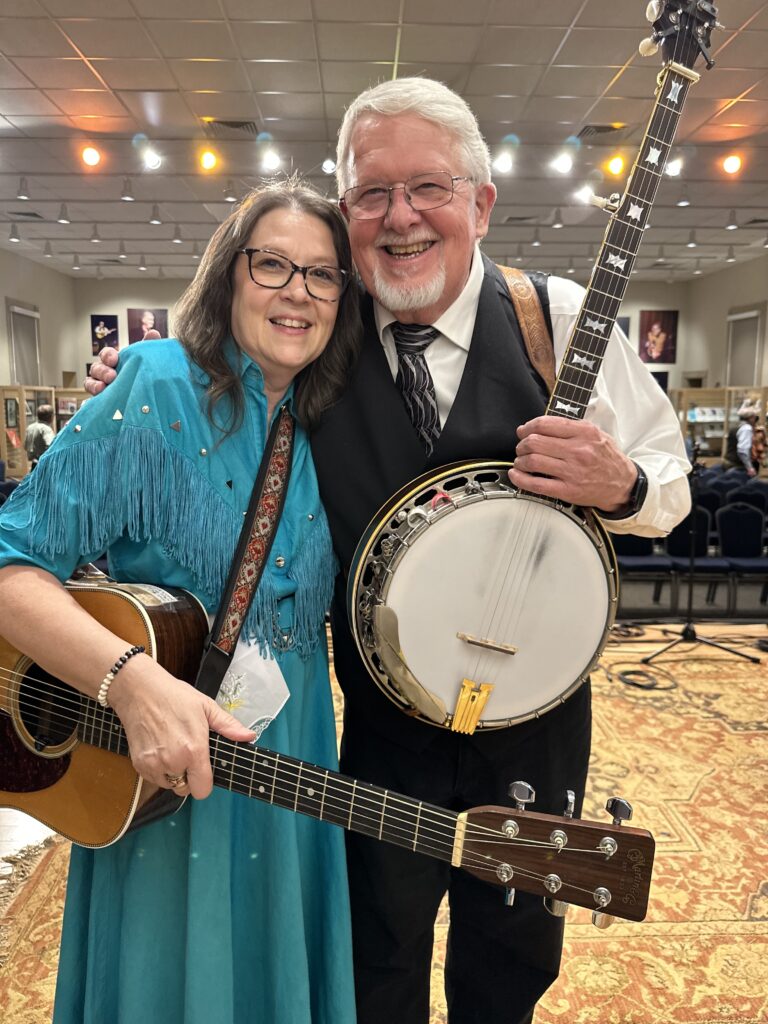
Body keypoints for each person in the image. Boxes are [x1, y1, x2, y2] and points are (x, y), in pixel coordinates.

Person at [87, 78, 691, 1024]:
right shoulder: (318, 333)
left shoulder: (558, 318)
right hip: (379, 725)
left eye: (429, 188)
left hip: (534, 721)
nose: (401, 217)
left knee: (511, 965)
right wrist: (135, 380)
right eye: (372, 193)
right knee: (376, 958)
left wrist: (625, 485)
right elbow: (218, 364)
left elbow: (671, 480)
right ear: (347, 213)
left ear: (481, 204)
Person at [0, 179, 360, 1024]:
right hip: (162, 767)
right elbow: (11, 568)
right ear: (229, 273)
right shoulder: (156, 385)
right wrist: (130, 684)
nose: (298, 292)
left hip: (295, 759)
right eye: (272, 265)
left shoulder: (333, 417)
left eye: (322, 274)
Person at [724, 401, 760, 477]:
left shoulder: (736, 426)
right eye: (754, 417)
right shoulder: (746, 429)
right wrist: (750, 468)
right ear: (750, 418)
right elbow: (743, 451)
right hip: (738, 465)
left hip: (729, 461)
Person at [23, 402, 55, 466]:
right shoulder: (46, 429)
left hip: (34, 463)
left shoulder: (30, 427)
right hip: (44, 464)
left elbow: (25, 446)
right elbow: (51, 445)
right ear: (50, 416)